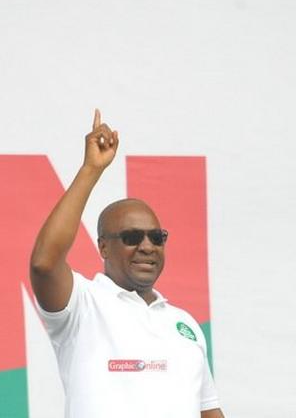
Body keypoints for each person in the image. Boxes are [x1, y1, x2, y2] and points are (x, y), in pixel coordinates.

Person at [29, 109, 224, 418]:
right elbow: (44, 263)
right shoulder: (82, 304)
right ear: (103, 246)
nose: (147, 246)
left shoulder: (185, 326)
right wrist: (91, 170)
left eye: (156, 237)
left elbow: (209, 412)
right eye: (132, 237)